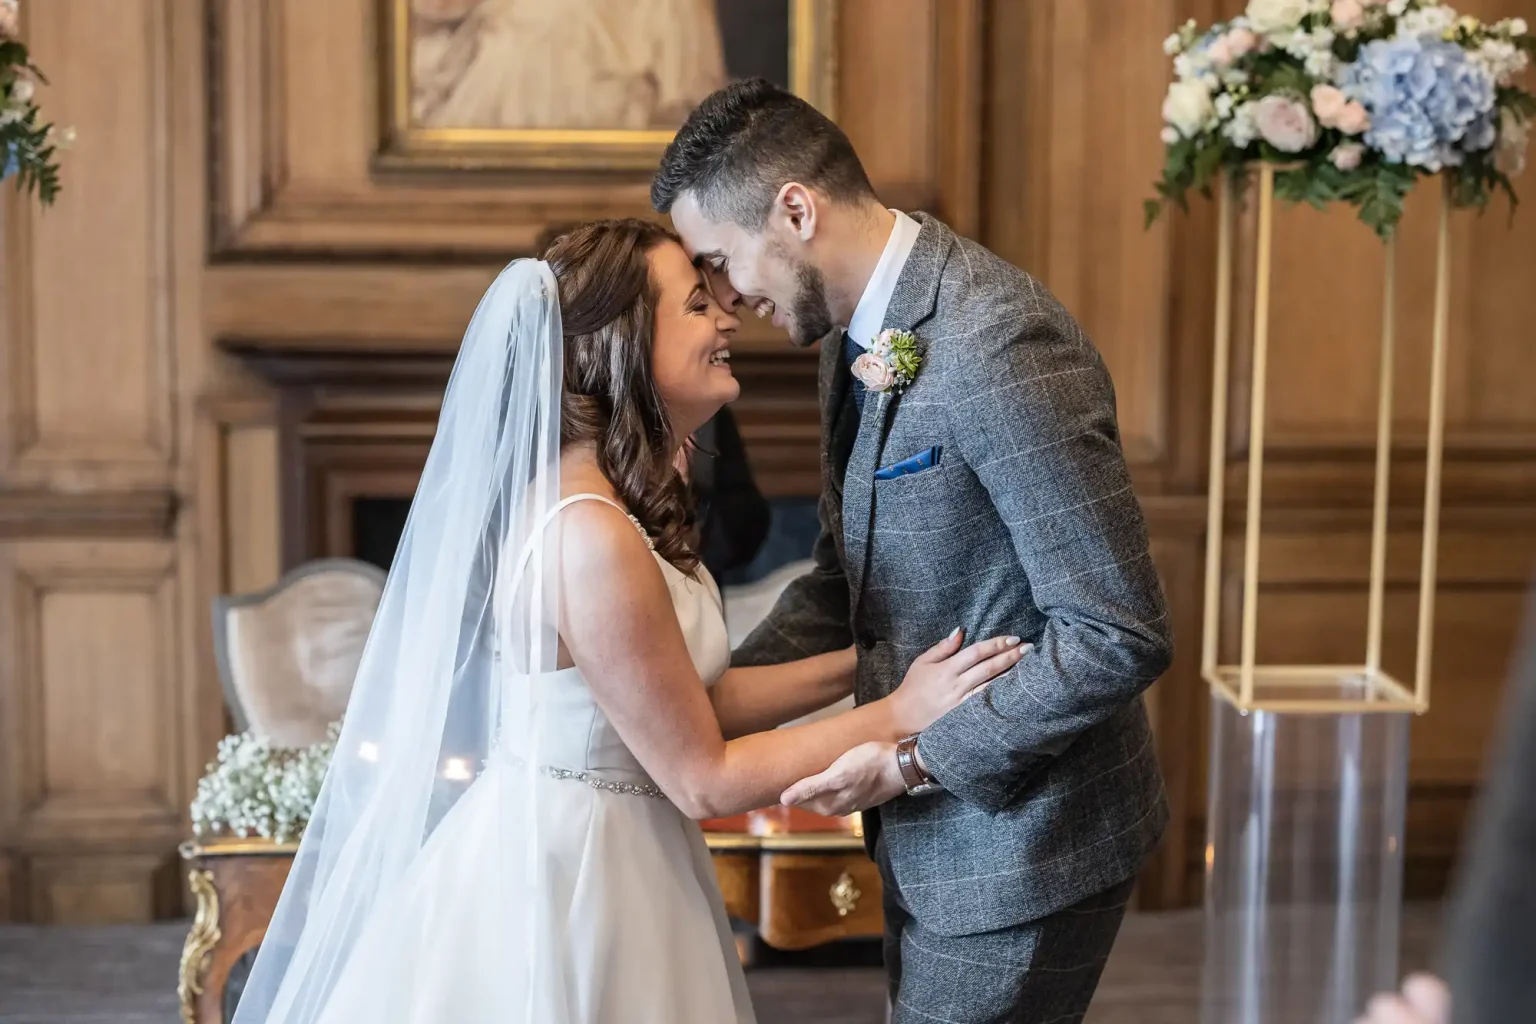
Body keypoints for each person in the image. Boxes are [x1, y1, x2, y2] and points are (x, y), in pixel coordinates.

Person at [228, 218, 1026, 1024]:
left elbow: (691, 704)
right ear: (624, 344)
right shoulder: (588, 533)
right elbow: (701, 774)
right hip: (574, 879)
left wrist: (872, 664)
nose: (726, 320)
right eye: (694, 307)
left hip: (624, 851)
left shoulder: (609, 504)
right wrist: (899, 714)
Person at [653, 79, 1174, 1024]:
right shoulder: (847, 336)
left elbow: (1117, 632)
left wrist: (914, 761)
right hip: (929, 842)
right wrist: (691, 708)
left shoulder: (998, 342)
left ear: (796, 210)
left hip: (1024, 846)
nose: (726, 298)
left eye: (722, 260)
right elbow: (843, 581)